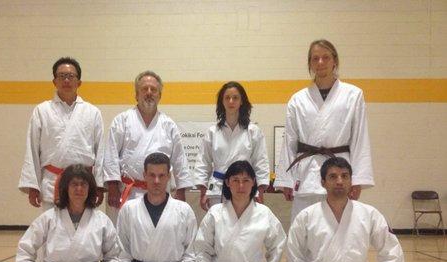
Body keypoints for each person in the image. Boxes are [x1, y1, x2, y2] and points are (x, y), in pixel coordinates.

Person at [274, 39, 374, 221]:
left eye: (326, 57)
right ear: (310, 64)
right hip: (306, 175)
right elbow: (290, 141)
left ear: (335, 61)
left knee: (339, 228)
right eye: (315, 58)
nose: (320, 63)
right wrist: (286, 180)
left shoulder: (353, 95)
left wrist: (357, 179)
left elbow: (360, 138)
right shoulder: (297, 99)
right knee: (305, 227)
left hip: (339, 174)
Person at [106, 153, 197, 262]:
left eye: (161, 175)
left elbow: (191, 253)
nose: (156, 181)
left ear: (169, 177)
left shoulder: (184, 210)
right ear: (144, 175)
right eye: (152, 175)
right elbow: (122, 251)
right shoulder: (129, 209)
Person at [18, 57, 105, 209]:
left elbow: (101, 151)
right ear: (54, 81)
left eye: (71, 76)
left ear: (79, 82)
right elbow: (32, 149)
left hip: (83, 185)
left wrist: (99, 185)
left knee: (84, 230)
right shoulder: (42, 110)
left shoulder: (92, 112)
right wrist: (33, 185)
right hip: (53, 185)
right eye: (62, 76)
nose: (66, 80)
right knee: (54, 230)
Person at [102, 70, 192, 210]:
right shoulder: (122, 121)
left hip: (161, 193)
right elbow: (110, 155)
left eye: (153, 89)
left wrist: (181, 191)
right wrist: (113, 186)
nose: (149, 92)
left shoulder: (169, 125)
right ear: (136, 95)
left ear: (159, 96)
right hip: (129, 192)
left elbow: (179, 159)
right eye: (144, 89)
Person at [193, 81, 270, 210]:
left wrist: (260, 191)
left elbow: (260, 162)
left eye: (235, 98)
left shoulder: (253, 131)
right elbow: (203, 162)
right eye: (227, 98)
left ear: (241, 101)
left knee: (244, 228)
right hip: (218, 190)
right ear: (222, 102)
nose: (231, 101)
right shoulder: (213, 132)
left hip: (243, 188)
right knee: (218, 227)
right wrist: (203, 191)